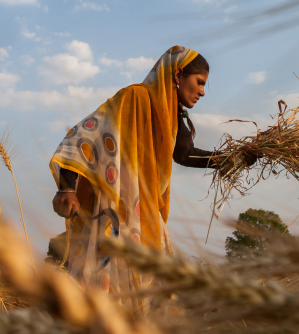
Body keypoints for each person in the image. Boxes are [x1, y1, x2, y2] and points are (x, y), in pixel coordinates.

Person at [50, 46, 255, 295]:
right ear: (178, 75)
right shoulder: (134, 97)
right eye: (199, 82)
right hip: (115, 211)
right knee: (104, 292)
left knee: (150, 291)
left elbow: (184, 154)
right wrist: (67, 188)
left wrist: (234, 158)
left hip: (146, 212)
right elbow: (84, 137)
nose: (202, 92)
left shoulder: (172, 117)